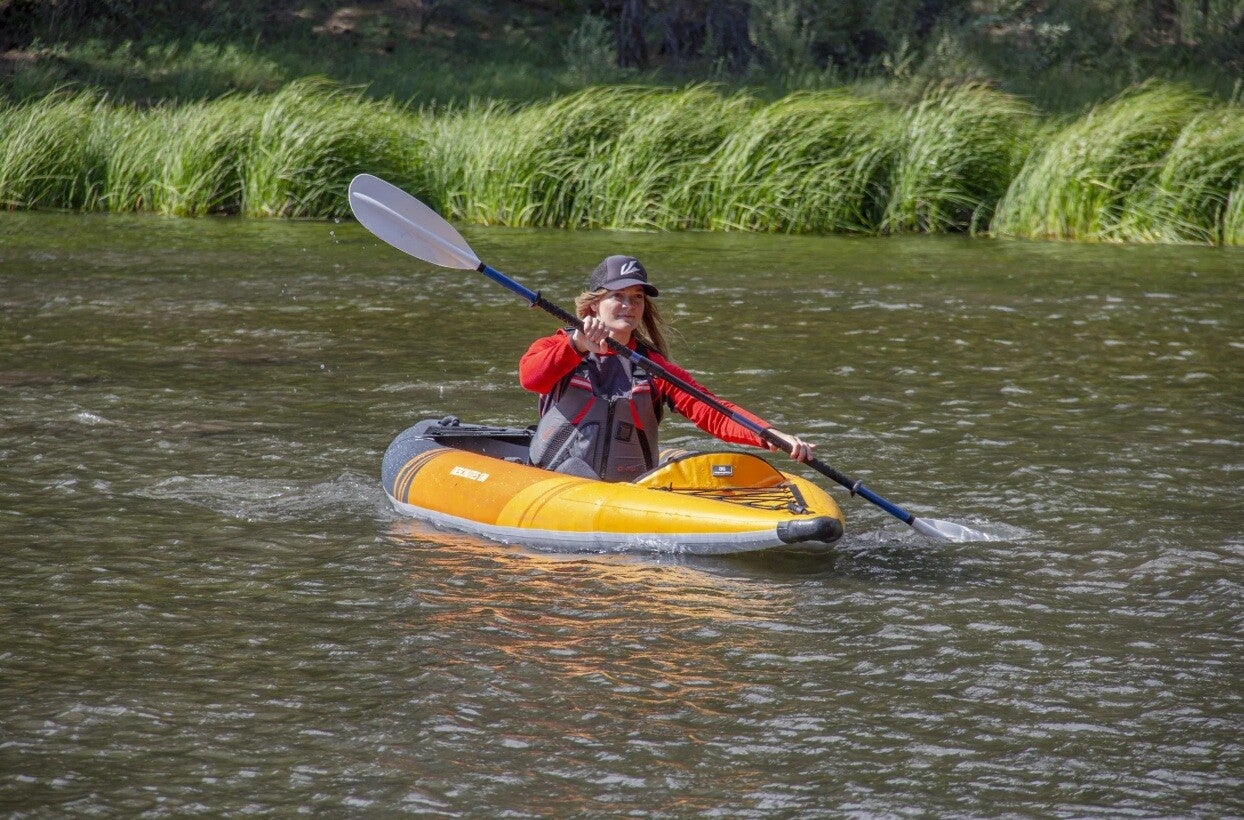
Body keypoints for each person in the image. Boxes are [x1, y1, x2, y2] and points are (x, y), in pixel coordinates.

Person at [519, 254, 814, 482]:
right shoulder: (557, 345)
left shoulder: (652, 366)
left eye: (637, 298)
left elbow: (711, 410)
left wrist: (771, 434)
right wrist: (578, 345)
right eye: (618, 296)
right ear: (595, 305)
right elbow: (531, 378)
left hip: (630, 487)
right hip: (556, 479)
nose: (629, 305)